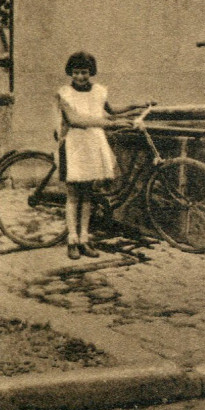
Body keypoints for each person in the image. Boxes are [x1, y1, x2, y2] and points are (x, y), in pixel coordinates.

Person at [56, 51, 150, 260]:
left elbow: (111, 110)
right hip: (73, 145)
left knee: (88, 193)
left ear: (91, 73)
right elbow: (75, 120)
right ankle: (71, 240)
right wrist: (110, 123)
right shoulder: (64, 94)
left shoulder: (98, 91)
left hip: (93, 144)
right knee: (73, 195)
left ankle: (84, 239)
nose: (80, 77)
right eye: (77, 72)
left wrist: (135, 106)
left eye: (85, 72)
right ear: (71, 73)